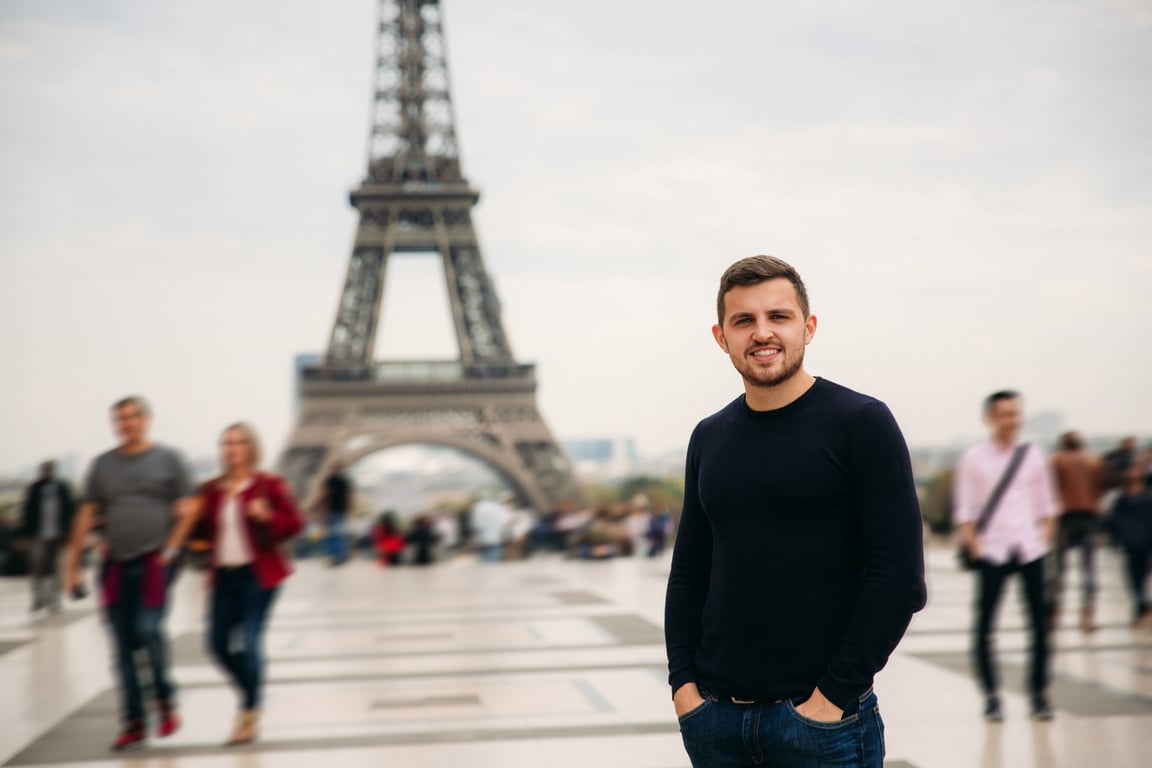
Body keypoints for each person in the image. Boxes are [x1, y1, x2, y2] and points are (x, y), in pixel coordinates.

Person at [665, 256, 926, 768]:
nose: (762, 333)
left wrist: (830, 699)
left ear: (808, 327)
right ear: (721, 336)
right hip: (715, 722)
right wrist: (684, 689)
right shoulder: (709, 436)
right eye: (744, 321)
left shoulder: (862, 423)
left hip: (820, 725)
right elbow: (689, 572)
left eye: (778, 317)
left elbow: (898, 579)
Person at [64, 396, 197, 751]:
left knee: (148, 630)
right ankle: (134, 720)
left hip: (155, 563)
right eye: (119, 419)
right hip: (115, 566)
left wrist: (171, 550)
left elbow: (189, 509)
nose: (125, 424)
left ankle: (165, 698)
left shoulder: (169, 460)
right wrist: (72, 566)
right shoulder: (102, 466)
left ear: (147, 419)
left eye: (132, 417)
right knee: (122, 648)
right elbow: (86, 515)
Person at [183, 423, 303, 745]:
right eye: (226, 443)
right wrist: (187, 519)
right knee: (217, 644)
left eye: (238, 442)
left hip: (258, 575)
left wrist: (268, 517)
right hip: (224, 576)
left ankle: (248, 712)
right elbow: (201, 536)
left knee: (249, 644)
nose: (232, 448)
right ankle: (252, 695)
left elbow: (295, 523)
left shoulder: (268, 485)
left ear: (251, 447)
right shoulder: (210, 490)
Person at [954, 391, 1058, 722]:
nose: (1011, 420)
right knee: (984, 627)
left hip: (1029, 547)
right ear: (990, 418)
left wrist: (1043, 540)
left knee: (1040, 627)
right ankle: (991, 696)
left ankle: (1039, 694)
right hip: (992, 550)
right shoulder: (975, 458)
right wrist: (976, 548)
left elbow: (1047, 506)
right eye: (1004, 414)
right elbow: (965, 509)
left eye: (1015, 413)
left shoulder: (1032, 456)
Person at [1049, 431, 1104, 632]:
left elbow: (1049, 489)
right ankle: (1088, 614)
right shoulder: (1093, 461)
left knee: (1058, 570)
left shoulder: (1056, 460)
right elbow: (1100, 488)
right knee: (1089, 569)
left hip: (1064, 516)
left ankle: (1054, 612)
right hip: (1089, 515)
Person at [21, 460, 76, 612]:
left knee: (57, 569)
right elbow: (28, 512)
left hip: (58, 535)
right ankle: (38, 598)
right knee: (37, 567)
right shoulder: (35, 489)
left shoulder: (62, 488)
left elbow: (70, 511)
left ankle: (55, 599)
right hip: (39, 535)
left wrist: (69, 533)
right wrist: (26, 534)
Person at [1108, 464, 1152, 628]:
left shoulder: (1120, 502)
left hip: (1131, 547)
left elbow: (1112, 523)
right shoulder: (1148, 500)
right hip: (1146, 547)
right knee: (1141, 580)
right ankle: (1142, 610)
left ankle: (1143, 607)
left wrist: (1115, 541)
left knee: (1134, 581)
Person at [319, 461, 353, 566]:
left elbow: (325, 495)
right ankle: (340, 555)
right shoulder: (344, 481)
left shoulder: (330, 481)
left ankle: (333, 555)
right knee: (340, 534)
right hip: (340, 511)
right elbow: (348, 496)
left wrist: (322, 510)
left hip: (332, 511)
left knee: (331, 534)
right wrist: (348, 509)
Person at [470, 495, 511, 562]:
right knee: (494, 558)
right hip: (497, 537)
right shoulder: (497, 507)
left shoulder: (479, 508)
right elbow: (507, 521)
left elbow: (477, 525)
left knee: (485, 558)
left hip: (483, 538)